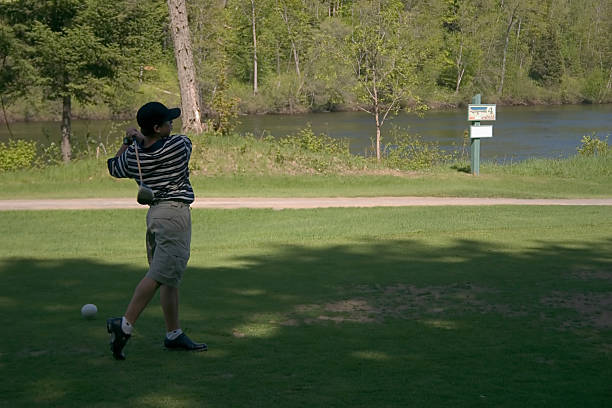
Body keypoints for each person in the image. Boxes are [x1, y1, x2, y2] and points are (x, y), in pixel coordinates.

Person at [105, 101, 207, 360]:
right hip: (174, 216)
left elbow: (114, 167)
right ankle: (124, 325)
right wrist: (141, 139)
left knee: (168, 276)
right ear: (157, 128)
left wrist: (130, 141)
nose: (171, 125)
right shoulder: (178, 146)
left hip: (155, 216)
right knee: (161, 273)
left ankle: (173, 333)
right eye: (167, 122)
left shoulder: (133, 156)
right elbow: (185, 143)